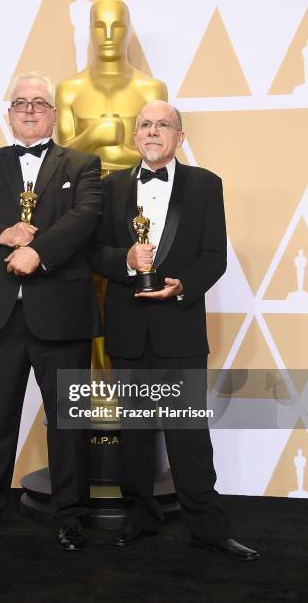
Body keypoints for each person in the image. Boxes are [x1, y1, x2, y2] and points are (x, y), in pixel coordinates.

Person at [91, 100, 260, 560]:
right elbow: (95, 253)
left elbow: (213, 256)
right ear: (134, 136)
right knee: (134, 434)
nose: (151, 131)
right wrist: (125, 261)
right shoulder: (110, 188)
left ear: (179, 137)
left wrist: (183, 285)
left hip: (180, 328)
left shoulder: (206, 185)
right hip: (127, 331)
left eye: (162, 125)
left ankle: (208, 528)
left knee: (188, 435)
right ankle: (140, 519)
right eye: (144, 124)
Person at [0, 71, 102, 551]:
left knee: (69, 423)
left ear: (54, 114)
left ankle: (70, 516)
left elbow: (86, 218)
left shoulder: (83, 163)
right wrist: (3, 235)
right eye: (21, 103)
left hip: (62, 314)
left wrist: (39, 251)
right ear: (9, 114)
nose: (30, 109)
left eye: (39, 103)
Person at [56, 0, 167, 174]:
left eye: (117, 26)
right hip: (83, 195)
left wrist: (110, 150)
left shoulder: (152, 90)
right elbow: (62, 157)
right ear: (90, 30)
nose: (108, 35)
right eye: (100, 27)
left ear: (129, 30)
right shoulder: (68, 90)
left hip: (137, 194)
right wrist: (95, 135)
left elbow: (160, 154)